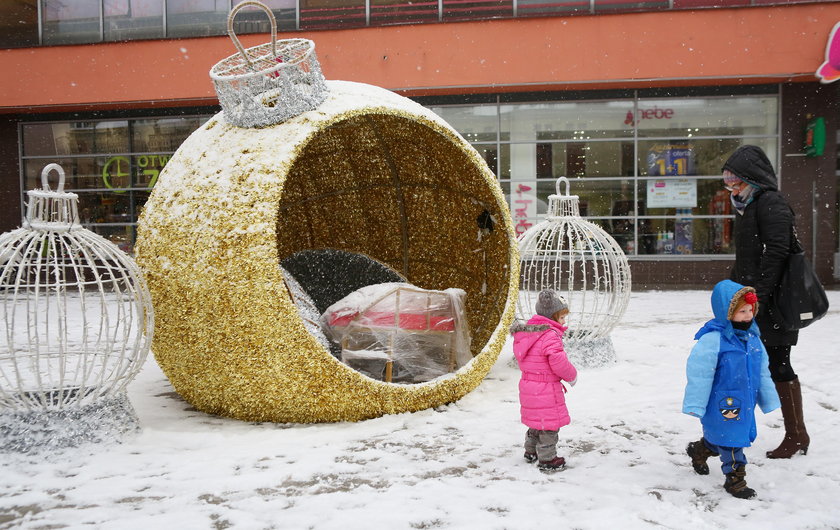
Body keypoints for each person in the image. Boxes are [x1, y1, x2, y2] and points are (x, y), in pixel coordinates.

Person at [722, 145, 809, 459]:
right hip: (756, 300)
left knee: (779, 364)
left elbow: (776, 253)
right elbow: (748, 258)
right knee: (763, 364)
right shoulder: (751, 205)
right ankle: (781, 432)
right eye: (728, 183)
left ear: (752, 179)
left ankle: (797, 434)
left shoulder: (770, 203)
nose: (732, 188)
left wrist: (758, 296)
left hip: (773, 303)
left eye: (736, 182)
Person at [683, 279, 781, 499]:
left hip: (744, 402)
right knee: (733, 443)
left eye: (750, 310)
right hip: (721, 402)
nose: (748, 316)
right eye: (742, 311)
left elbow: (762, 371)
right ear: (726, 312)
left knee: (722, 440)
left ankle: (699, 450)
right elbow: (699, 374)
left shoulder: (753, 339)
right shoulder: (713, 340)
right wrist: (695, 404)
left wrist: (768, 397)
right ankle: (735, 480)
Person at [511, 290, 577, 472]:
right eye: (562, 317)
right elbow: (558, 361)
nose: (564, 322)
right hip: (546, 387)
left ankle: (530, 451)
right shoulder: (550, 336)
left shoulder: (528, 334)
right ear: (552, 317)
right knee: (549, 426)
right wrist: (572, 376)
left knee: (536, 423)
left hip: (528, 385)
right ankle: (547, 459)